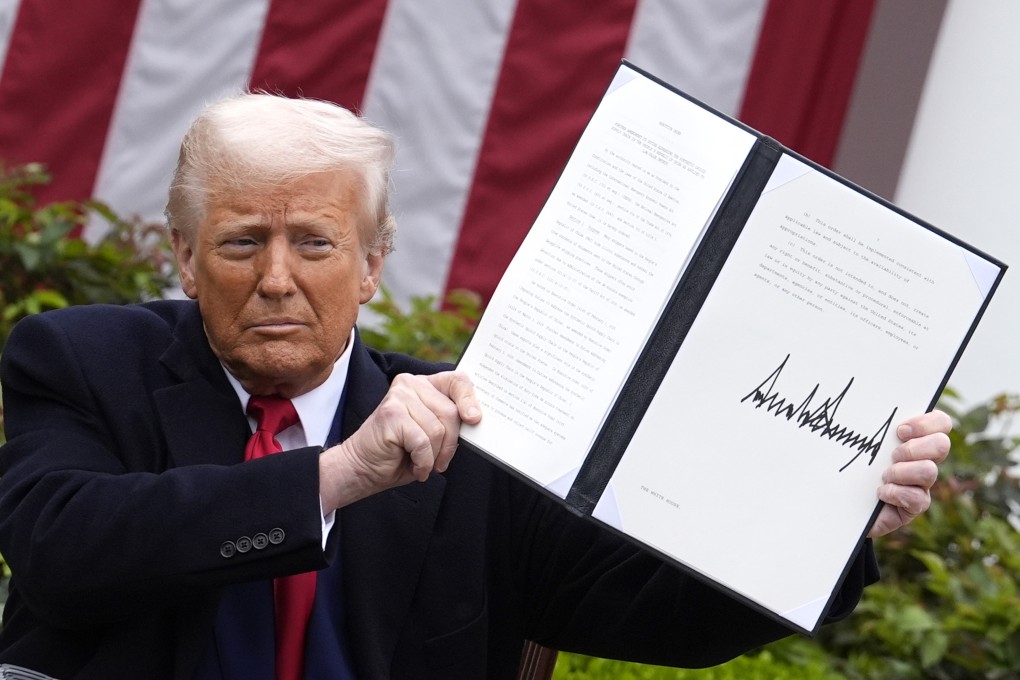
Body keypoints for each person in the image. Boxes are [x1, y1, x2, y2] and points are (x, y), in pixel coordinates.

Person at [0, 93, 951, 680]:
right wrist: (335, 477)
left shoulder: (482, 430)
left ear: (373, 264)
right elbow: (62, 549)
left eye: (316, 243)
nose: (278, 279)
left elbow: (660, 617)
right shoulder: (79, 362)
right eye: (243, 241)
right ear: (184, 257)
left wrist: (832, 523)